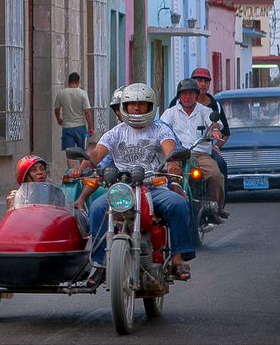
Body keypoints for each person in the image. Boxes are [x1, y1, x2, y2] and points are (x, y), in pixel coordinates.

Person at [72, 83, 194, 286]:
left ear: (150, 107)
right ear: (124, 107)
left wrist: (172, 162)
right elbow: (97, 153)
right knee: (96, 208)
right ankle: (100, 264)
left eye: (142, 104)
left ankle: (177, 260)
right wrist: (82, 165)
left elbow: (169, 148)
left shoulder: (159, 130)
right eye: (131, 104)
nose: (136, 108)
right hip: (122, 189)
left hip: (153, 187)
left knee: (178, 205)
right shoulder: (115, 133)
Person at [160, 78, 229, 222]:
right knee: (166, 175)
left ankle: (215, 208)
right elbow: (161, 129)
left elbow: (214, 124)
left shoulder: (205, 111)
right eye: (184, 94)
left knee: (215, 175)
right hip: (177, 154)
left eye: (190, 93)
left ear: (196, 95)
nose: (187, 97)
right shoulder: (170, 113)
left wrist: (215, 131)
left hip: (200, 154)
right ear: (179, 96)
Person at [187, 67, 231, 194]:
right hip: (183, 149)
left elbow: (225, 132)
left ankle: (218, 205)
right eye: (199, 80)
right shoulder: (179, 103)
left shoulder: (214, 106)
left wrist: (216, 146)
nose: (202, 84)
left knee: (220, 166)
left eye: (206, 81)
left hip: (205, 150)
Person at [54, 72, 94, 168]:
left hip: (67, 127)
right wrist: (90, 127)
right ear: (78, 82)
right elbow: (87, 112)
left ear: (68, 82)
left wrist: (59, 119)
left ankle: (70, 172)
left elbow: (56, 109)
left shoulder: (61, 93)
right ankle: (81, 171)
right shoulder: (83, 94)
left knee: (69, 152)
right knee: (82, 152)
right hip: (80, 127)